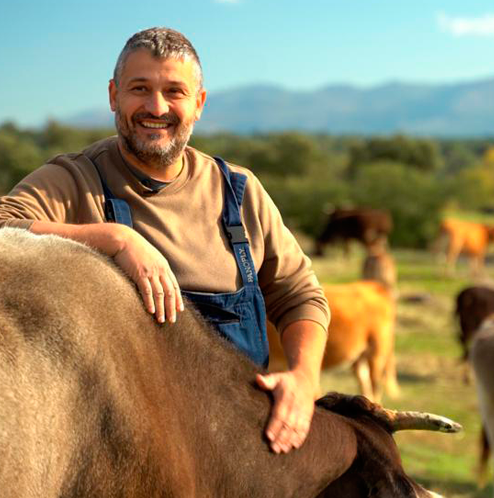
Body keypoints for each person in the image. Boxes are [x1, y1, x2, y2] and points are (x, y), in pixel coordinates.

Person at [0, 27, 329, 455]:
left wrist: (305, 377)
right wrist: (114, 238)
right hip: (122, 458)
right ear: (114, 95)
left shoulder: (239, 192)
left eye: (174, 91)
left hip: (241, 454)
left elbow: (300, 295)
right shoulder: (75, 179)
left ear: (199, 103)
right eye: (140, 89)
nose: (156, 107)